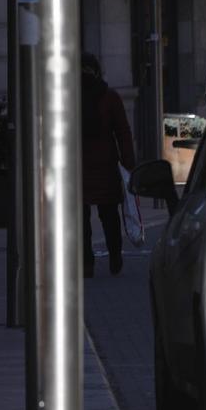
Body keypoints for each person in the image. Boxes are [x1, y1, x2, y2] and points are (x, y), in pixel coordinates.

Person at [81, 54, 138, 277]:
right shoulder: (109, 97)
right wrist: (128, 162)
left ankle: (86, 263)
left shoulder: (68, 97)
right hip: (105, 165)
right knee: (109, 215)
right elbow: (122, 131)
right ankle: (115, 255)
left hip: (79, 167)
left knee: (80, 220)